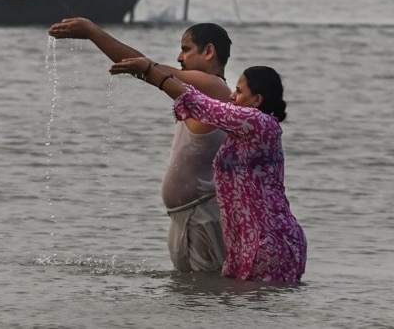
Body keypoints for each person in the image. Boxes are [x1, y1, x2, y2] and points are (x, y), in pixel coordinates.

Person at [47, 17, 232, 273]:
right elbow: (149, 69)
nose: (179, 57)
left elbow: (148, 69)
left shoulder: (214, 87)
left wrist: (93, 32)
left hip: (201, 215)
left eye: (186, 49)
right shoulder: (199, 94)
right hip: (186, 216)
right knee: (189, 296)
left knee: (204, 298)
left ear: (209, 51)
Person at [108, 59, 307, 283]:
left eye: (239, 92)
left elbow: (201, 104)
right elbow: (200, 104)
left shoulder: (257, 122)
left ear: (257, 100)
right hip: (248, 238)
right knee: (241, 311)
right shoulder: (247, 130)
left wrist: (148, 70)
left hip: (268, 241)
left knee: (253, 313)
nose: (232, 96)